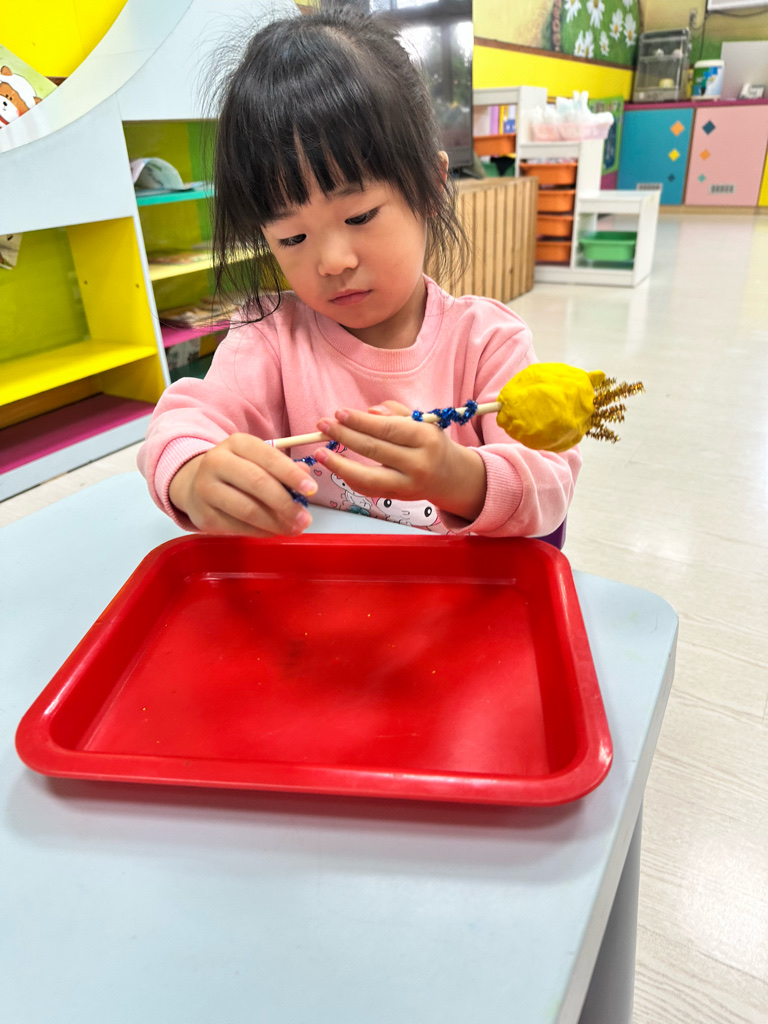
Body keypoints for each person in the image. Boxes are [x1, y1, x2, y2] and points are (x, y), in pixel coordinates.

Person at [138, 7, 581, 538]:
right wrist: (192, 475)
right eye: (292, 238)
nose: (332, 262)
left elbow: (550, 483)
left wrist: (459, 477)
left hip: (455, 588)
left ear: (432, 188)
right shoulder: (269, 337)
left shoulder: (486, 343)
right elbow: (182, 424)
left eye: (360, 217)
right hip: (317, 586)